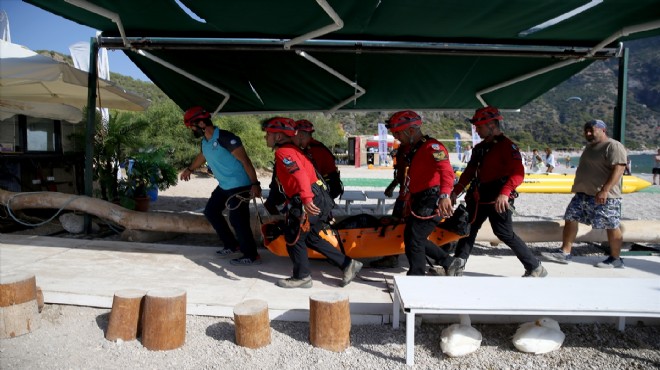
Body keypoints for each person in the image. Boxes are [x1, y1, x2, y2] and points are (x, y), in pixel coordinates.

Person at [262, 117, 362, 288]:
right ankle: (348, 264)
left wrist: (306, 200)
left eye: (268, 134)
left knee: (294, 236)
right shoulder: (293, 149)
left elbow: (299, 174)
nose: (266, 138)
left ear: (278, 136)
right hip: (319, 197)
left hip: (308, 199)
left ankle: (302, 277)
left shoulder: (284, 152)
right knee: (311, 238)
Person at [450, 106, 547, 277]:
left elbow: (518, 173)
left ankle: (535, 267)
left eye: (479, 127)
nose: (476, 130)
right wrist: (456, 191)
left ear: (492, 125)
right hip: (478, 197)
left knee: (503, 233)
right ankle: (457, 265)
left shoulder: (507, 147)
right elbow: (470, 172)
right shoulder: (479, 148)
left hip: (498, 198)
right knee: (469, 229)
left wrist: (505, 192)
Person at [180, 106, 262, 266]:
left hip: (240, 185)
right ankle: (232, 245)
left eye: (192, 126)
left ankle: (251, 255)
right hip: (225, 185)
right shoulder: (205, 142)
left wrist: (255, 184)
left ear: (202, 123)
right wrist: (190, 169)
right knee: (211, 211)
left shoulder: (226, 138)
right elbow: (203, 156)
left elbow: (246, 161)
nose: (191, 130)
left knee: (238, 219)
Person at [541, 119, 628, 268]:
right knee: (570, 217)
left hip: (605, 195)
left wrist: (605, 190)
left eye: (591, 130)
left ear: (603, 130)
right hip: (583, 194)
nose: (588, 133)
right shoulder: (589, 147)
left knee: (611, 225)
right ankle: (565, 252)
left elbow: (619, 169)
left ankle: (615, 258)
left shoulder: (613, 146)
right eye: (586, 130)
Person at [385, 110, 459, 276]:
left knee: (415, 238)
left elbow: (447, 172)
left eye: (398, 133)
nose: (397, 137)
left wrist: (445, 196)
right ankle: (449, 262)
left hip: (433, 199)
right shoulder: (414, 148)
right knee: (412, 236)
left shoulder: (433, 147)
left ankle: (417, 276)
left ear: (411, 131)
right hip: (420, 199)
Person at [369, 140, 412, 268]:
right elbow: (401, 173)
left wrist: (404, 197)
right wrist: (392, 186)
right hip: (404, 197)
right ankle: (391, 256)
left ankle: (442, 258)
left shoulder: (410, 149)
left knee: (399, 228)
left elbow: (407, 173)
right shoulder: (404, 148)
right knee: (396, 227)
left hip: (407, 199)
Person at [293, 119, 344, 199]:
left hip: (327, 188)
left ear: (301, 135)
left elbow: (313, 175)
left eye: (293, 135)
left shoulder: (314, 151)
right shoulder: (314, 146)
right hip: (326, 186)